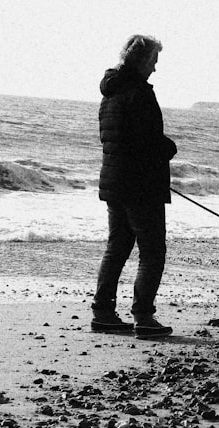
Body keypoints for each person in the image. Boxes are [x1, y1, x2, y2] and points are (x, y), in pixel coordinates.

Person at [91, 34, 178, 339]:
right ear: (142, 60)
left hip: (115, 181)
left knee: (117, 248)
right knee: (152, 252)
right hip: (140, 186)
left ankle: (103, 313)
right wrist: (169, 148)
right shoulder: (139, 93)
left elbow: (115, 140)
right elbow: (148, 143)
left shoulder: (111, 93)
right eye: (153, 60)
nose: (155, 68)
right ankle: (144, 317)